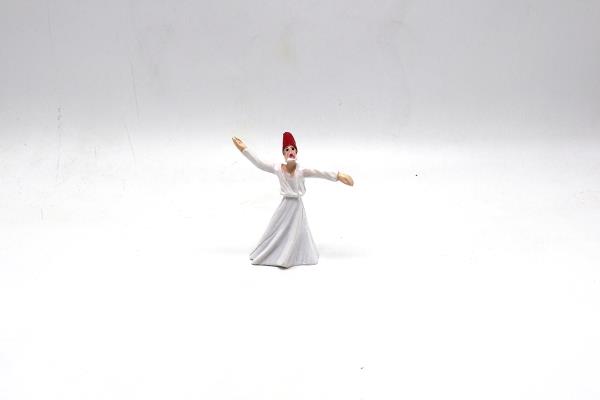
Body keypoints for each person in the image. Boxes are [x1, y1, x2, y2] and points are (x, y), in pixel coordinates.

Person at [232, 132, 354, 268]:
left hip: (296, 206)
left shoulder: (301, 170)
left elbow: (320, 172)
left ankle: (294, 253)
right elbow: (259, 163)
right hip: (285, 205)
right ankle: (272, 250)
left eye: (292, 149)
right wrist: (245, 149)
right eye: (287, 149)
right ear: (283, 154)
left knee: (298, 230)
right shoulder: (277, 168)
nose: (290, 151)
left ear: (296, 152)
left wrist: (338, 175)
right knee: (276, 227)